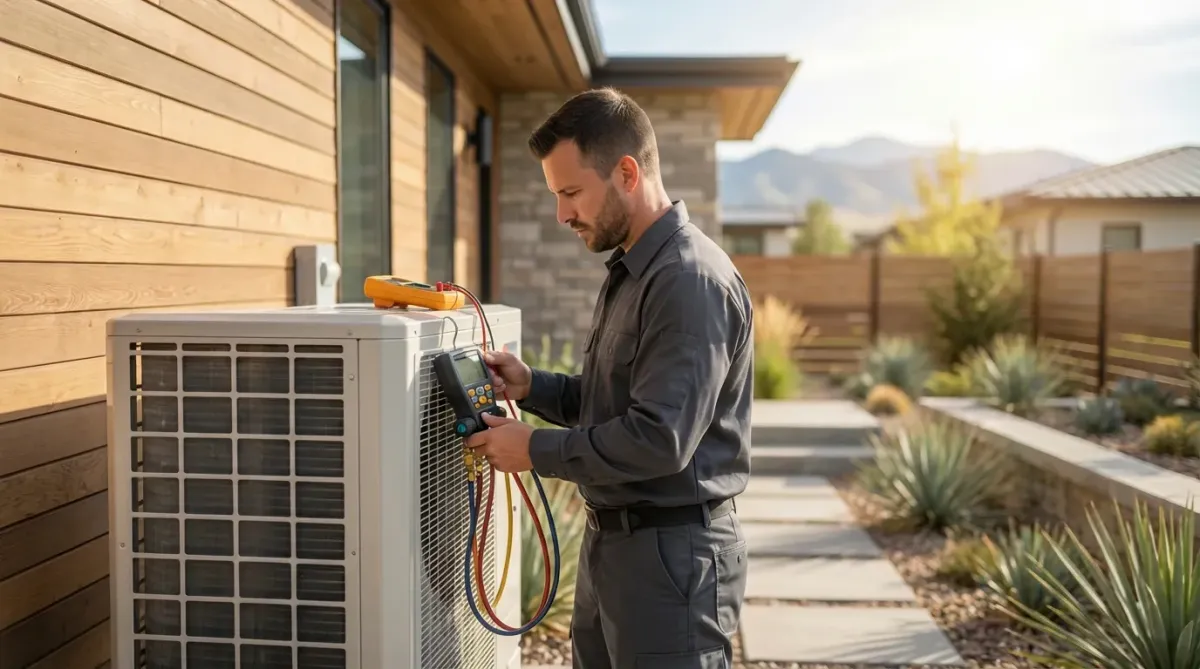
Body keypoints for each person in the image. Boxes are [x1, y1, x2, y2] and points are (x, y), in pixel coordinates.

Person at [464, 87, 754, 668]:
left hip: (672, 566)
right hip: (616, 554)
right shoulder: (631, 270)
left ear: (626, 172)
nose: (562, 213)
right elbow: (611, 404)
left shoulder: (687, 282)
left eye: (571, 192)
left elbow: (658, 439)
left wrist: (533, 449)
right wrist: (530, 386)